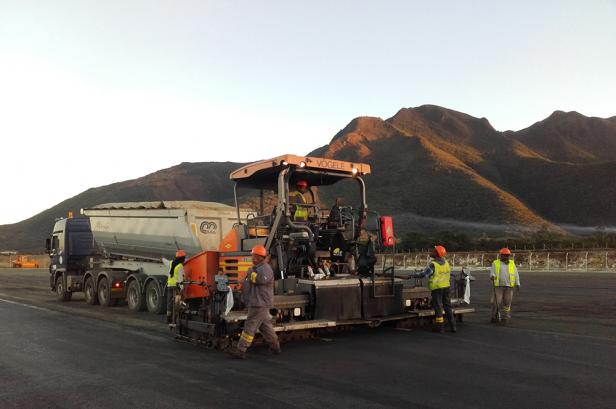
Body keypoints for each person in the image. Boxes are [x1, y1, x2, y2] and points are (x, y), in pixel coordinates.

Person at [228, 245, 281, 359]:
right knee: (265, 327)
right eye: (252, 255)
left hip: (259, 303)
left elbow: (260, 280)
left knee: (250, 326)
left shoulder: (265, 269)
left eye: (255, 256)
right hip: (257, 302)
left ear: (261, 257)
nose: (253, 258)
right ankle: (275, 346)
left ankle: (241, 349)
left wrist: (250, 273)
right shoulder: (256, 268)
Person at [414, 245, 456, 333]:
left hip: (437, 288)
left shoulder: (434, 264)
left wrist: (412, 275)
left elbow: (423, 274)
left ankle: (440, 327)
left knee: (438, 307)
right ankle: (453, 326)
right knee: (447, 306)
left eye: (433, 251)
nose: (431, 252)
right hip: (446, 287)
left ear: (436, 254)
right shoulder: (446, 262)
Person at [490, 248, 520, 323]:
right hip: (498, 286)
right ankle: (494, 316)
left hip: (509, 286)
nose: (506, 257)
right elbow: (492, 272)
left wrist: (518, 283)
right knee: (496, 302)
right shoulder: (495, 263)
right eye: (505, 255)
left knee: (507, 302)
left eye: (507, 255)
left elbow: (516, 274)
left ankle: (506, 316)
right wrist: (492, 276)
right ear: (501, 255)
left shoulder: (512, 263)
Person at [167, 249, 186, 325]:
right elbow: (181, 279)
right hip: (176, 287)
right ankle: (174, 320)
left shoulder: (171, 263)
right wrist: (182, 288)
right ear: (182, 258)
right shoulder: (180, 266)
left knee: (169, 303)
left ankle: (168, 318)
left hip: (169, 285)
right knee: (177, 303)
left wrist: (162, 259)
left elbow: (166, 262)